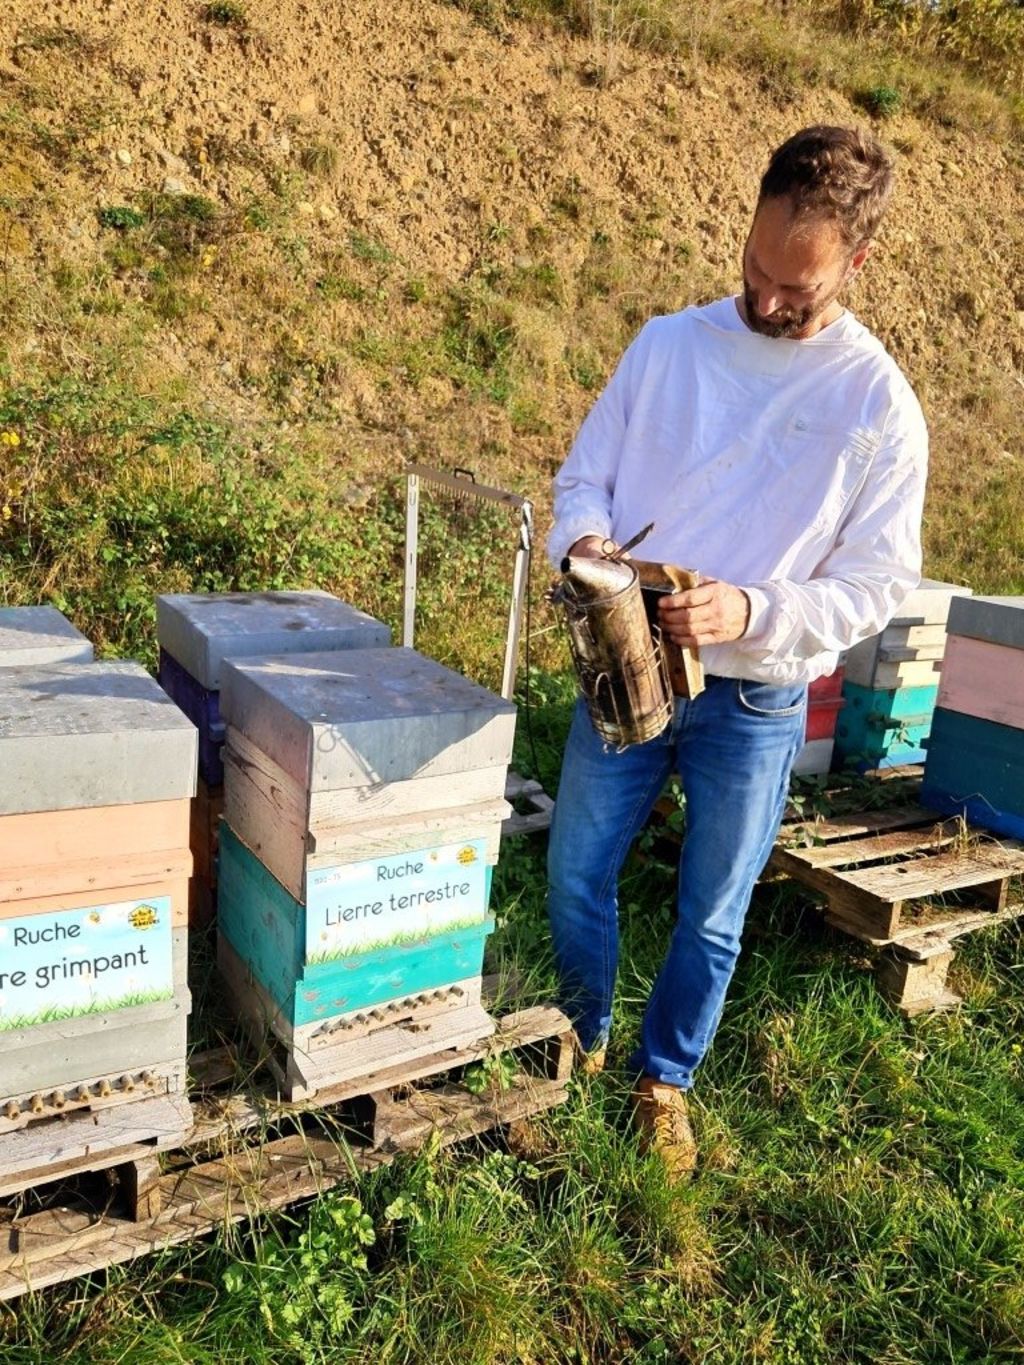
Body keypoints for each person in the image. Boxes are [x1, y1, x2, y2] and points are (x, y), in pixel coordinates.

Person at [545, 125, 929, 1181]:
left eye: (793, 290)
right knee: (576, 867)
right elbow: (582, 479)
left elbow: (873, 587)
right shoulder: (669, 345)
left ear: (858, 264)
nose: (764, 301)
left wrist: (751, 609)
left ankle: (662, 1081)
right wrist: (583, 537)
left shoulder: (876, 408)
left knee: (713, 910)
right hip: (625, 661)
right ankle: (579, 1039)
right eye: (755, 269)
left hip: (753, 700)